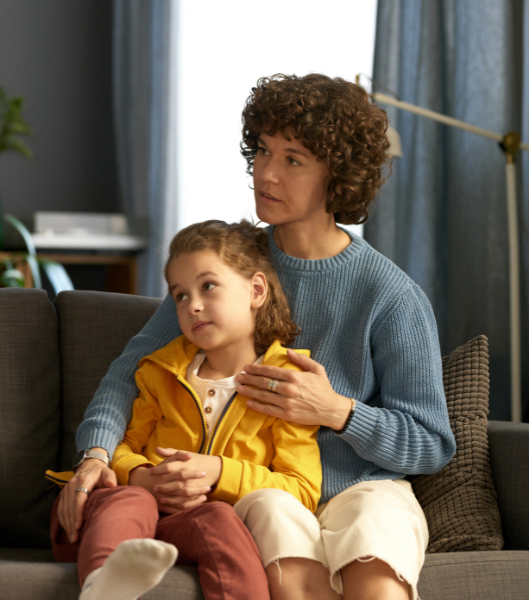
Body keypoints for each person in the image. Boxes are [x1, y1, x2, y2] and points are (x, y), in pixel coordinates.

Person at [58, 74, 456, 600]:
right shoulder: (228, 268)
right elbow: (130, 375)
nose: (266, 174)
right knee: (277, 532)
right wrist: (96, 457)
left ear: (337, 177)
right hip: (263, 487)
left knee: (376, 578)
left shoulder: (392, 295)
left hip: (363, 487)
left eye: (293, 159)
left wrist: (337, 411)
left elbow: (430, 443)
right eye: (263, 151)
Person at [49, 219, 321, 600]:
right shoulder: (160, 371)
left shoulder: (286, 385)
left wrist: (219, 473)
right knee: (133, 499)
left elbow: (302, 490)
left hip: (188, 524)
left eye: (208, 286)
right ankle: (104, 586)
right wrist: (144, 478)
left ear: (256, 290)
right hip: (116, 515)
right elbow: (123, 448)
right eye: (179, 295)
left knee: (220, 519)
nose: (192, 305)